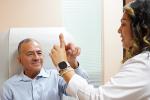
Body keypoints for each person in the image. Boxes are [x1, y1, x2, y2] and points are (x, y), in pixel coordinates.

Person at [50, 0, 150, 100]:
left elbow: (95, 97)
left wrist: (62, 65)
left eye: (123, 24)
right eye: (33, 53)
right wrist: (72, 63)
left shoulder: (143, 65)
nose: (119, 30)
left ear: (140, 29)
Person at [0, 38, 88, 100]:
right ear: (20, 60)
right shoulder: (9, 87)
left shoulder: (56, 76)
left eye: (39, 53)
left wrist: (73, 62)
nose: (36, 58)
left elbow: (81, 89)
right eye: (30, 54)